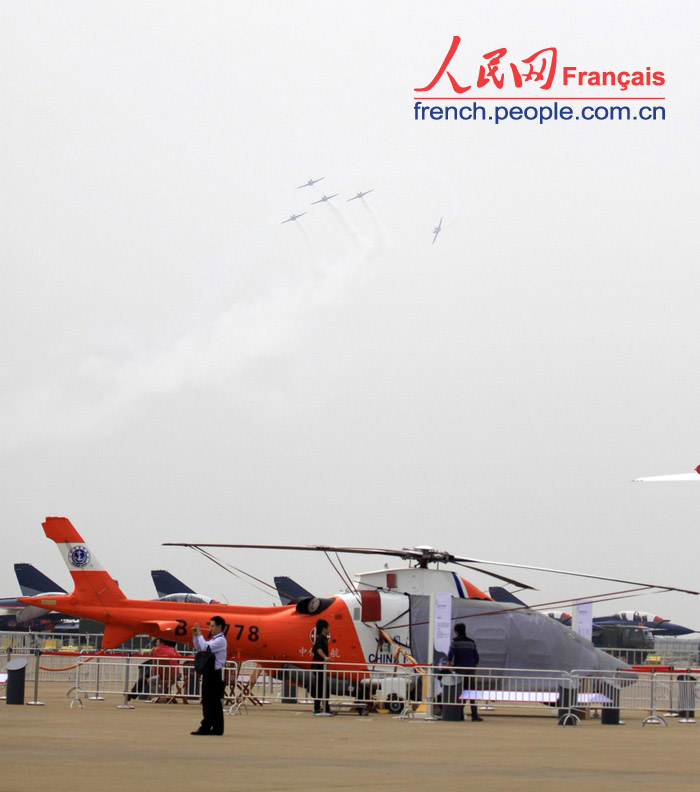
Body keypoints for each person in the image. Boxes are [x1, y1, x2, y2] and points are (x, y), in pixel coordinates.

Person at [191, 616, 228, 735]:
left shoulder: (220, 640)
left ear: (219, 627)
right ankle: (216, 728)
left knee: (210, 701)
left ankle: (206, 726)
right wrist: (196, 636)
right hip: (210, 673)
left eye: (212, 626)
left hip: (214, 674)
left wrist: (200, 635)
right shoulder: (214, 640)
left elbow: (205, 648)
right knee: (212, 702)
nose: (210, 628)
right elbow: (199, 648)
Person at [447, 623, 483, 722]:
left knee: (459, 692)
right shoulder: (471, 642)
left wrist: (449, 664)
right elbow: (476, 657)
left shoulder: (455, 642)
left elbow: (451, 654)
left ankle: (458, 714)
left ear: (456, 631)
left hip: (459, 671)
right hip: (470, 670)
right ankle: (475, 716)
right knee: (471, 693)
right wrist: (474, 666)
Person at [311, 619, 332, 715]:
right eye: (328, 627)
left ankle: (325, 708)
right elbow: (318, 649)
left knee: (324, 688)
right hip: (319, 668)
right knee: (321, 688)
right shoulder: (320, 638)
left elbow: (314, 650)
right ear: (324, 628)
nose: (329, 629)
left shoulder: (323, 638)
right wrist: (325, 658)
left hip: (321, 668)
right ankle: (318, 708)